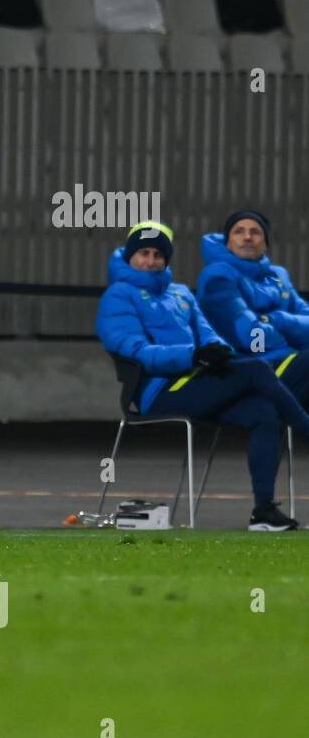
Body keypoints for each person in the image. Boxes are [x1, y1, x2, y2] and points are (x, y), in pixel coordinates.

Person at [97, 220, 309, 531]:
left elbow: (210, 335)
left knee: (264, 413)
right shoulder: (118, 296)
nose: (151, 260)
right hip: (158, 391)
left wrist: (217, 352)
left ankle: (263, 513)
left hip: (196, 381)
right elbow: (136, 350)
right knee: (256, 368)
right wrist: (192, 355)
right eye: (143, 252)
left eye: (159, 254)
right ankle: (306, 427)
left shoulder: (181, 293)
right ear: (129, 256)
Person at [197, 209, 309, 403]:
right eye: (239, 231)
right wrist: (293, 339)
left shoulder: (278, 275)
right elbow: (252, 340)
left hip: (288, 360)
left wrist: (278, 320)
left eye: (255, 232)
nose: (247, 237)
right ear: (228, 243)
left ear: (265, 244)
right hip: (248, 368)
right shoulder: (217, 276)